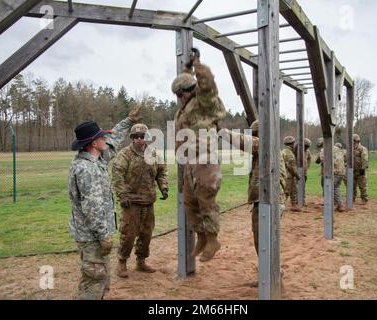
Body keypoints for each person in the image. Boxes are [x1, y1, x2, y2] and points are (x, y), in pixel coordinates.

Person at [68, 105, 141, 300]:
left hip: (94, 234)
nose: (105, 140)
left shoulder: (96, 159)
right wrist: (103, 235)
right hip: (91, 235)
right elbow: (92, 207)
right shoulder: (86, 168)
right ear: (93, 144)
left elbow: (114, 139)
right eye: (101, 137)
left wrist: (128, 121)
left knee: (100, 278)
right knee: (94, 279)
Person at [171, 48, 226, 262]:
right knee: (190, 202)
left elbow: (208, 82)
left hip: (205, 158)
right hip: (189, 161)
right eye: (177, 95)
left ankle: (213, 238)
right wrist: (185, 70)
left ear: (191, 88)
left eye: (181, 93)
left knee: (206, 198)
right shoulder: (185, 107)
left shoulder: (205, 100)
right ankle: (202, 237)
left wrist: (198, 64)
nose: (180, 97)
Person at [220, 121, 287, 256]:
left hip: (266, 201)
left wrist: (222, 132)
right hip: (274, 199)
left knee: (262, 240)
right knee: (268, 239)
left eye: (254, 134)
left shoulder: (265, 143)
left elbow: (244, 141)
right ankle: (270, 273)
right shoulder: (272, 146)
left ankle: (267, 275)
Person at [112, 123, 169, 278]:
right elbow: (117, 175)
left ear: (146, 138)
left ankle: (141, 261)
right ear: (131, 138)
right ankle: (122, 262)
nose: (139, 139)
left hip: (148, 201)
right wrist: (122, 195)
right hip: (131, 203)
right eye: (135, 136)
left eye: (142, 136)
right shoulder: (125, 155)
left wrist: (163, 186)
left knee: (146, 234)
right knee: (128, 234)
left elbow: (162, 171)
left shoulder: (153, 153)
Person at [319, 143, 346, 212]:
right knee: (337, 188)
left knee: (328, 188)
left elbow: (322, 160)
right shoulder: (338, 149)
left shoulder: (324, 149)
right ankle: (340, 206)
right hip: (341, 172)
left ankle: (328, 207)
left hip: (333, 172)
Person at [283, 136, 301, 212]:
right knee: (286, 191)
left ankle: (294, 205)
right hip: (288, 175)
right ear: (292, 144)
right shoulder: (289, 153)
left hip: (289, 175)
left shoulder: (283, 151)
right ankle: (280, 205)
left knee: (294, 190)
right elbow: (291, 166)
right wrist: (297, 175)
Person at [293, 138, 312, 205]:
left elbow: (309, 158)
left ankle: (302, 199)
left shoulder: (307, 151)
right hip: (297, 170)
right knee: (296, 185)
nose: (307, 147)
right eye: (306, 146)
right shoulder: (297, 149)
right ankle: (296, 200)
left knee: (303, 185)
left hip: (304, 171)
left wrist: (307, 166)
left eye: (308, 146)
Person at [353, 134, 369, 204]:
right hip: (352, 170)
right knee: (352, 186)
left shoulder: (362, 149)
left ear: (357, 141)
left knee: (362, 185)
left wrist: (363, 168)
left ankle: (364, 199)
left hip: (360, 170)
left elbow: (365, 159)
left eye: (354, 142)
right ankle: (352, 198)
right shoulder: (350, 149)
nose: (353, 143)